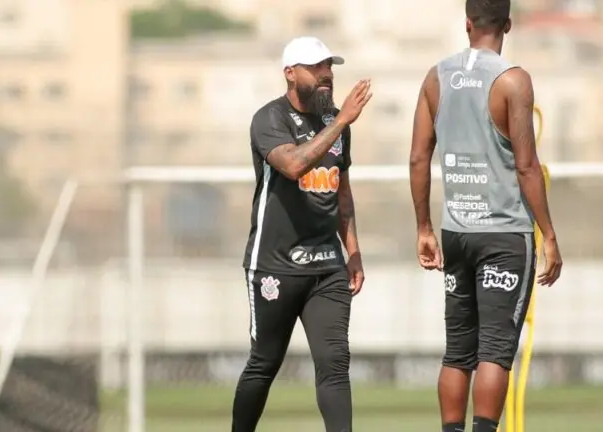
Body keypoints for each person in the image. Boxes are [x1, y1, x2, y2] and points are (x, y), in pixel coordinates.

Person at [408, 1, 563, 431]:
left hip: (455, 231)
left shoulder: (435, 77)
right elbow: (527, 166)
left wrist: (423, 227)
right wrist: (548, 233)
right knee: (494, 350)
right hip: (503, 235)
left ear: (467, 24)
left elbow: (419, 158)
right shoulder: (513, 81)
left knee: (457, 351)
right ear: (508, 24)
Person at [232, 36, 373, 432]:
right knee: (264, 362)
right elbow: (293, 165)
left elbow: (342, 191)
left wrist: (354, 251)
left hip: (327, 265)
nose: (327, 75)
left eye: (330, 66)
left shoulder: (337, 124)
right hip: (274, 264)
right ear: (291, 74)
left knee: (335, 363)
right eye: (317, 67)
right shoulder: (269, 119)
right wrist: (343, 120)